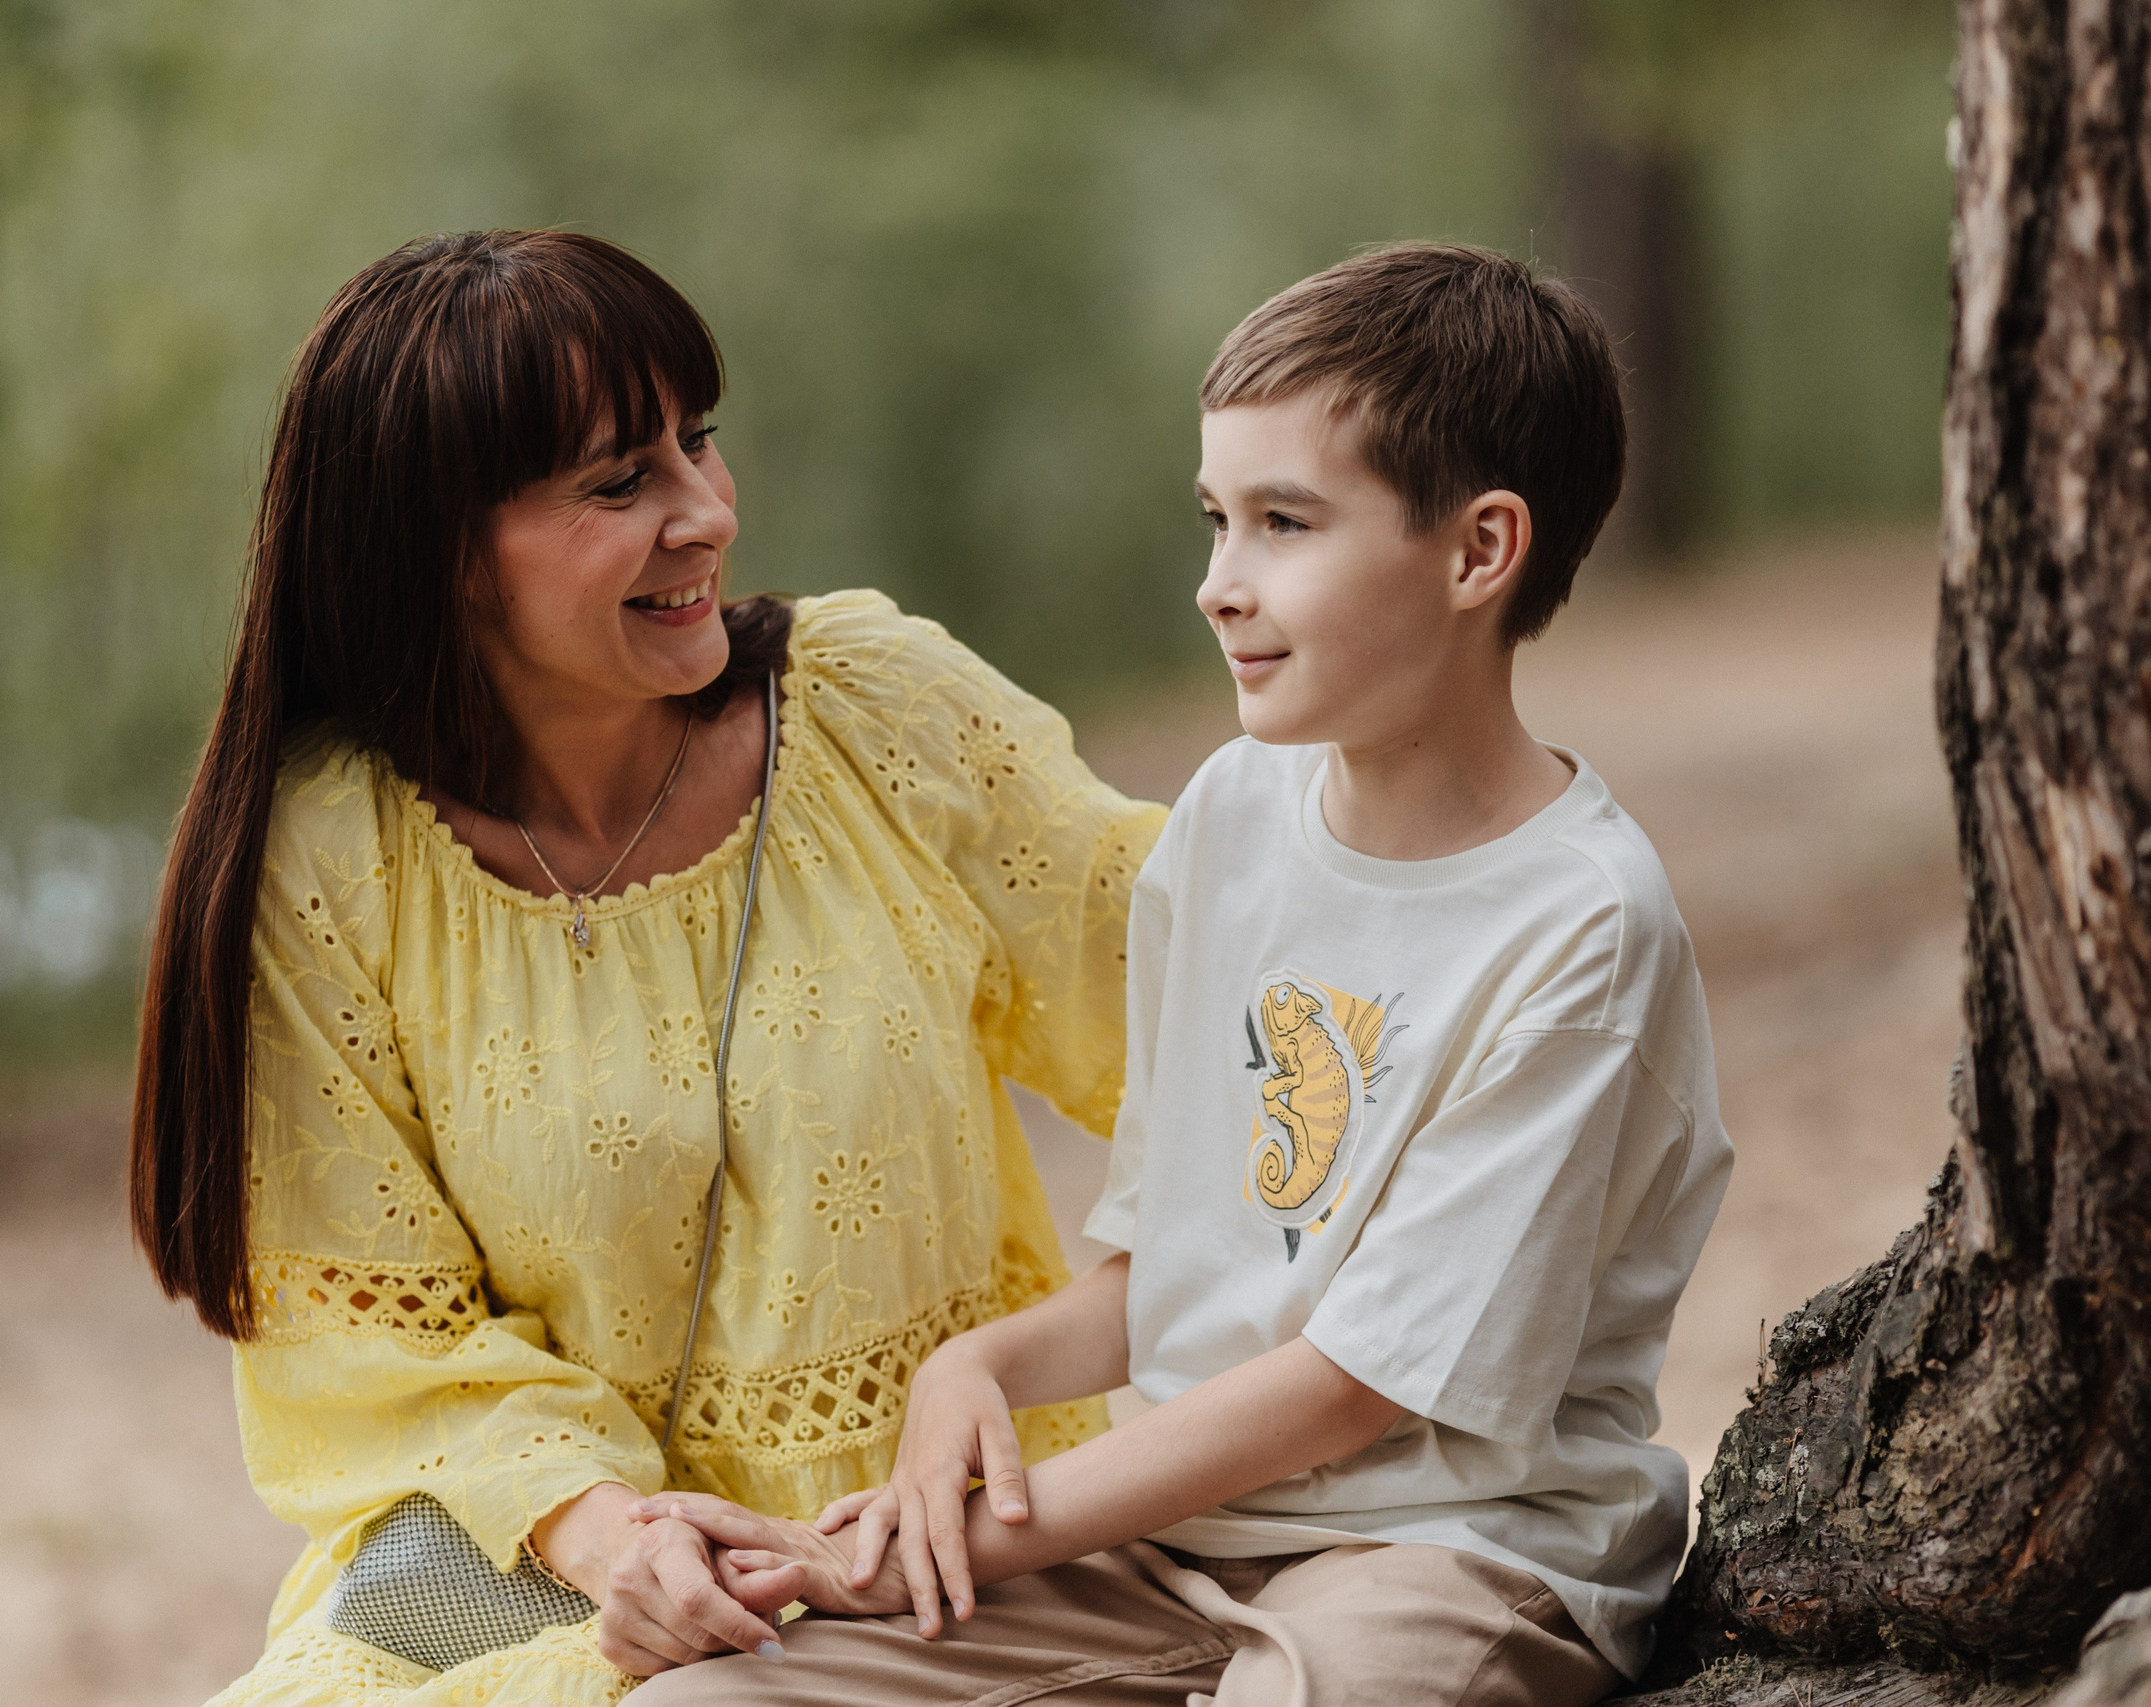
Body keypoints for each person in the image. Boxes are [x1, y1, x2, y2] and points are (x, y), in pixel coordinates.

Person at [628, 241, 1735, 1707]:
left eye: (1285, 523)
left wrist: (926, 1552)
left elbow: (1354, 1384)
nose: (1220, 586)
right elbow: (1169, 1272)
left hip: (1447, 1560)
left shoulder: (1581, 929)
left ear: (1479, 552)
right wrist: (977, 1371)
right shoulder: (1231, 817)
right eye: (1217, 519)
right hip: (1171, 1545)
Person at [127, 229, 1165, 1706]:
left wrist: (1057, 1351)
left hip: (933, 1563)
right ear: (437, 551)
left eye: (700, 445)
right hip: (550, 1575)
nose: (705, 515)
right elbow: (362, 1335)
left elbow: (1233, 1045)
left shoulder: (879, 711)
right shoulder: (323, 853)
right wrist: (614, 1536)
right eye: (619, 484)